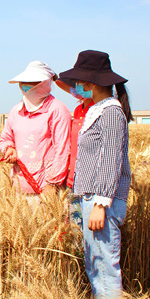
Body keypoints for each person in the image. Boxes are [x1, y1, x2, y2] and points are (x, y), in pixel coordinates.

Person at [59, 50, 133, 299]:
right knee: (95, 266)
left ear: (91, 83)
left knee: (105, 269)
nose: (76, 87)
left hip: (101, 201)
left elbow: (112, 158)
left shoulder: (111, 113)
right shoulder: (97, 109)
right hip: (90, 197)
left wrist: (101, 203)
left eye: (79, 82)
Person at [0, 60, 71, 197]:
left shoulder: (57, 109)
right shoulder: (16, 111)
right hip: (19, 187)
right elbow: (5, 138)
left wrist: (52, 184)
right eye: (24, 82)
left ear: (45, 83)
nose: (26, 86)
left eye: (33, 81)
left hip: (46, 190)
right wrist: (9, 149)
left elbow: (63, 150)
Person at [55, 78, 95, 226]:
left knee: (90, 231)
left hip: (90, 185)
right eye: (75, 85)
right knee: (74, 227)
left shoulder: (98, 109)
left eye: (80, 84)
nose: (76, 89)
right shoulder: (78, 109)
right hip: (72, 181)